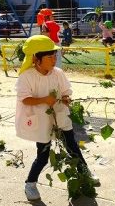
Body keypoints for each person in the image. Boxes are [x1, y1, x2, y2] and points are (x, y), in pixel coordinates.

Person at [15, 35, 99, 201]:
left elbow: (67, 91)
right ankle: (30, 184)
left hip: (60, 116)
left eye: (55, 56)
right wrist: (45, 100)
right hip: (42, 121)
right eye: (49, 56)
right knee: (43, 155)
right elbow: (24, 98)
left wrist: (66, 99)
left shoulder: (58, 73)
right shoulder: (27, 77)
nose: (54, 60)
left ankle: (85, 172)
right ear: (36, 59)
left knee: (72, 147)